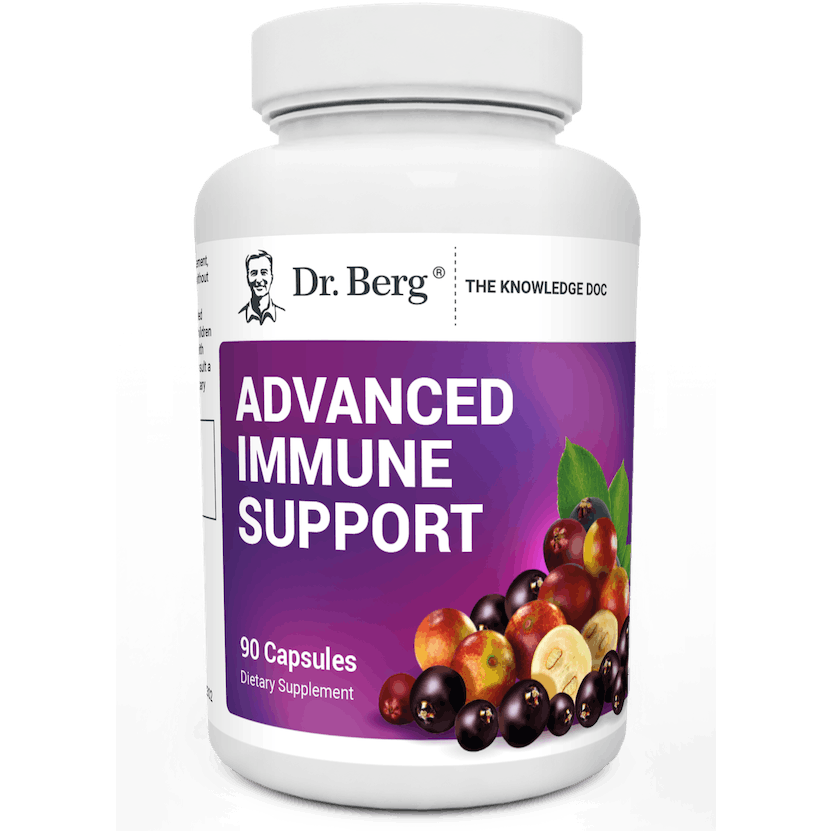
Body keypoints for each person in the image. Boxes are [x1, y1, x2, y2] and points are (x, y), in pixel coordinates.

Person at [239, 250, 284, 323]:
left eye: (264, 273)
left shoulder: (284, 315)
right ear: (247, 278)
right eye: (254, 273)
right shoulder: (237, 317)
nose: (259, 280)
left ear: (271, 277)